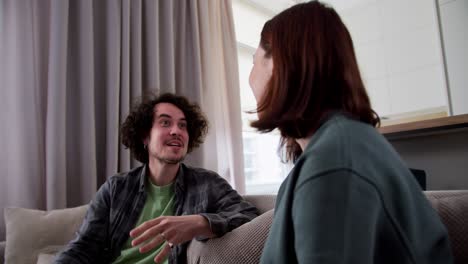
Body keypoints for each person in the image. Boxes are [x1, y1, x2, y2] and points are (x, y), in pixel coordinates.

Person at [248, 1, 453, 264]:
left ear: (279, 65)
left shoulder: (334, 161)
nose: (250, 79)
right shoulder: (339, 149)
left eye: (253, 62)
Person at [55, 93, 259, 264]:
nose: (176, 131)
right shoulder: (116, 188)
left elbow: (249, 215)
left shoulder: (207, 184)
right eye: (165, 122)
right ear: (145, 136)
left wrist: (201, 222)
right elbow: (82, 248)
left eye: (183, 125)